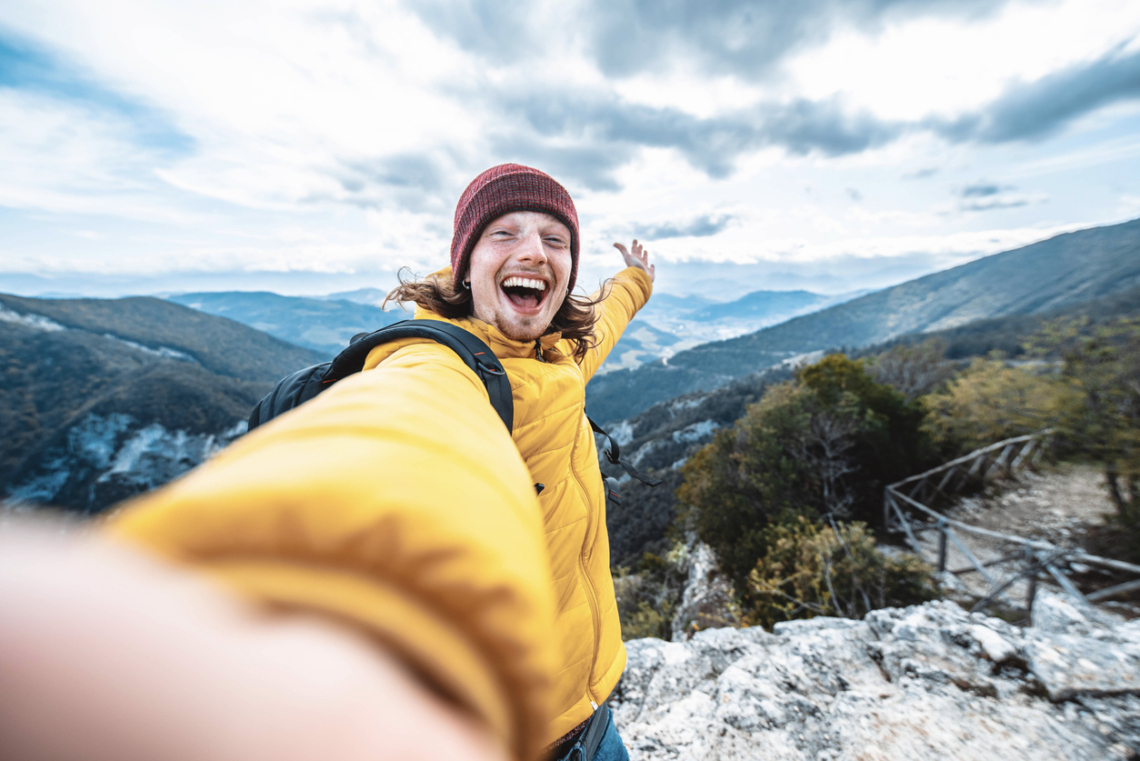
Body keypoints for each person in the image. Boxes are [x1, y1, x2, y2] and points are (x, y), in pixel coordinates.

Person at [0, 163, 654, 761]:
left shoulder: (559, 354)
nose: (535, 250)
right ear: (462, 266)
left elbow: (610, 315)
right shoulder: (439, 368)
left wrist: (637, 279)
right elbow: (399, 431)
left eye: (556, 239)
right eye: (504, 232)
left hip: (595, 716)